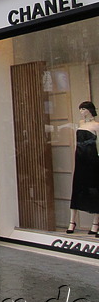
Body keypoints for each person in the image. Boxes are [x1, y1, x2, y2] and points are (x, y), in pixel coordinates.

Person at [67, 101, 99, 235]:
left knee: (94, 188)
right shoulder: (81, 123)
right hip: (80, 157)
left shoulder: (97, 125)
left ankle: (95, 223)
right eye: (80, 109)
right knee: (78, 186)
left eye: (83, 109)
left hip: (92, 159)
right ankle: (72, 221)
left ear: (89, 110)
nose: (81, 111)